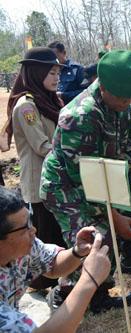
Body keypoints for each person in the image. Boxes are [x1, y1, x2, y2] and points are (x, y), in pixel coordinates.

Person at [39, 50, 131, 313]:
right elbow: (84, 181)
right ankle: (66, 294)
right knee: (89, 241)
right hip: (67, 188)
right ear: (103, 86)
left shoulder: (120, 103)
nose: (128, 103)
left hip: (101, 180)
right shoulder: (80, 117)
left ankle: (99, 294)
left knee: (108, 241)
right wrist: (114, 216)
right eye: (123, 97)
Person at [0, 186, 111, 332]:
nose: (33, 230)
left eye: (30, 220)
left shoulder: (24, 248)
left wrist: (77, 252)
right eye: (24, 228)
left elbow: (52, 264)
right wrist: (89, 280)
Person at [6, 47, 68, 289]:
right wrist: (72, 151)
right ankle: (42, 283)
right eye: (51, 73)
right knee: (46, 235)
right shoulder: (27, 106)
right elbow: (42, 145)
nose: (56, 78)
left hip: (55, 178)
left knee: (56, 233)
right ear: (36, 73)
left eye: (57, 73)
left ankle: (58, 279)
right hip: (40, 181)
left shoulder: (50, 99)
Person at [47, 41, 85, 105]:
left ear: (64, 53)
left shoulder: (77, 69)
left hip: (72, 109)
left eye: (55, 56)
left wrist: (63, 95)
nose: (53, 59)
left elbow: (85, 92)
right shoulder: (48, 71)